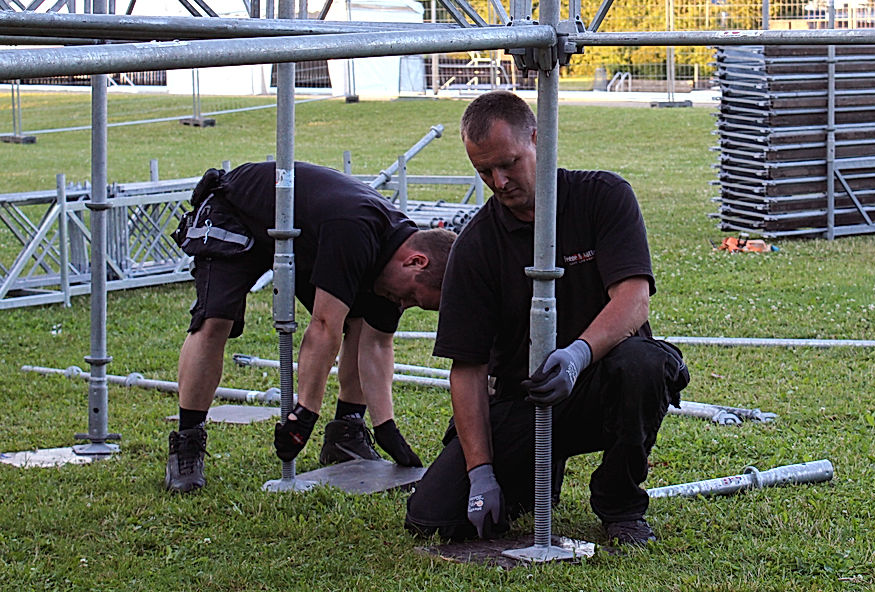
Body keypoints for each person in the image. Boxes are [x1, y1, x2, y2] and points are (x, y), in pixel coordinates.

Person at [405, 91, 688, 547]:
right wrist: (480, 473)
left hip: (600, 386)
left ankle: (619, 505)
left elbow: (633, 301)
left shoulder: (602, 198)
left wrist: (578, 356)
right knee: (433, 518)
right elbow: (468, 368)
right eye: (484, 171)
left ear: (538, 139)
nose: (499, 182)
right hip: (522, 401)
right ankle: (535, 474)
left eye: (508, 164)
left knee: (644, 365)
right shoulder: (476, 246)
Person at [165, 160, 456, 494]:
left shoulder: (397, 252)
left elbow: (376, 342)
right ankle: (187, 440)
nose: (404, 304)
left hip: (305, 234)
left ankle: (346, 432)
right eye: (412, 297)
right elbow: (323, 326)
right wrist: (305, 412)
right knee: (215, 319)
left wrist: (386, 427)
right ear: (416, 261)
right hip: (238, 210)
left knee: (361, 320)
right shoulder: (355, 231)